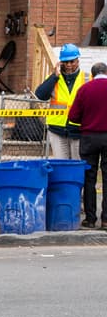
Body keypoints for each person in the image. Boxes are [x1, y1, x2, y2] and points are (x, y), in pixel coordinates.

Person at [68, 61, 107, 229]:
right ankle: (106, 220)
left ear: (92, 75)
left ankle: (90, 219)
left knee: (89, 178)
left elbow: (73, 116)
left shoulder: (84, 89)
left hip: (89, 137)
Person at [35, 44, 87, 160]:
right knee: (61, 165)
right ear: (60, 62)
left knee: (77, 165)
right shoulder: (54, 78)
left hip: (78, 129)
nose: (69, 65)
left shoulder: (87, 78)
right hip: (57, 129)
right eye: (65, 62)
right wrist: (54, 76)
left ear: (78, 60)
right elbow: (40, 95)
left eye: (72, 61)